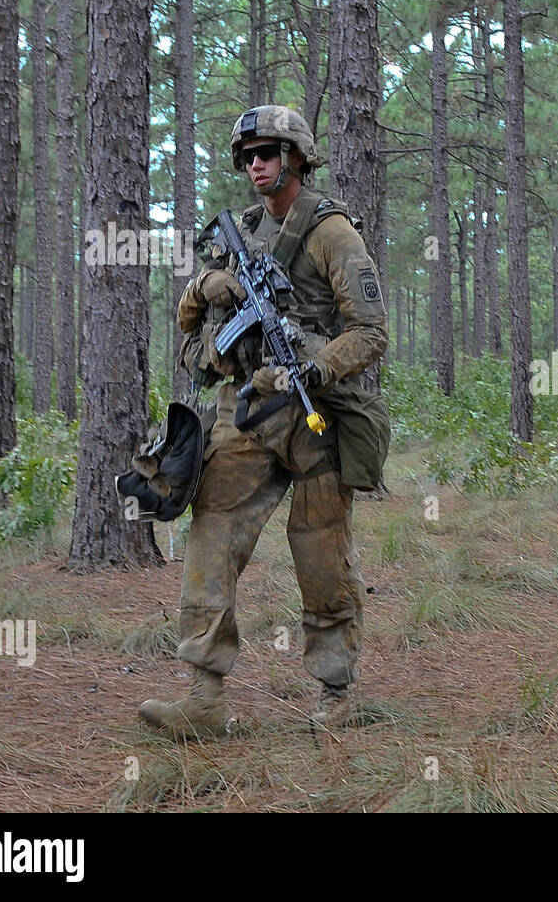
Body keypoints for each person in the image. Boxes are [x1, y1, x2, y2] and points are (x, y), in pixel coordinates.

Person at [139, 105, 388, 736]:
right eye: (248, 156)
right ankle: (203, 697)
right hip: (247, 408)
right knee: (211, 535)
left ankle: (336, 693)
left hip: (315, 416)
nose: (256, 165)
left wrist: (317, 369)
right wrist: (207, 287)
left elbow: (371, 332)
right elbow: (190, 323)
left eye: (268, 154)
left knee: (322, 554)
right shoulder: (237, 233)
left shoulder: (332, 233)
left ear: (297, 157)